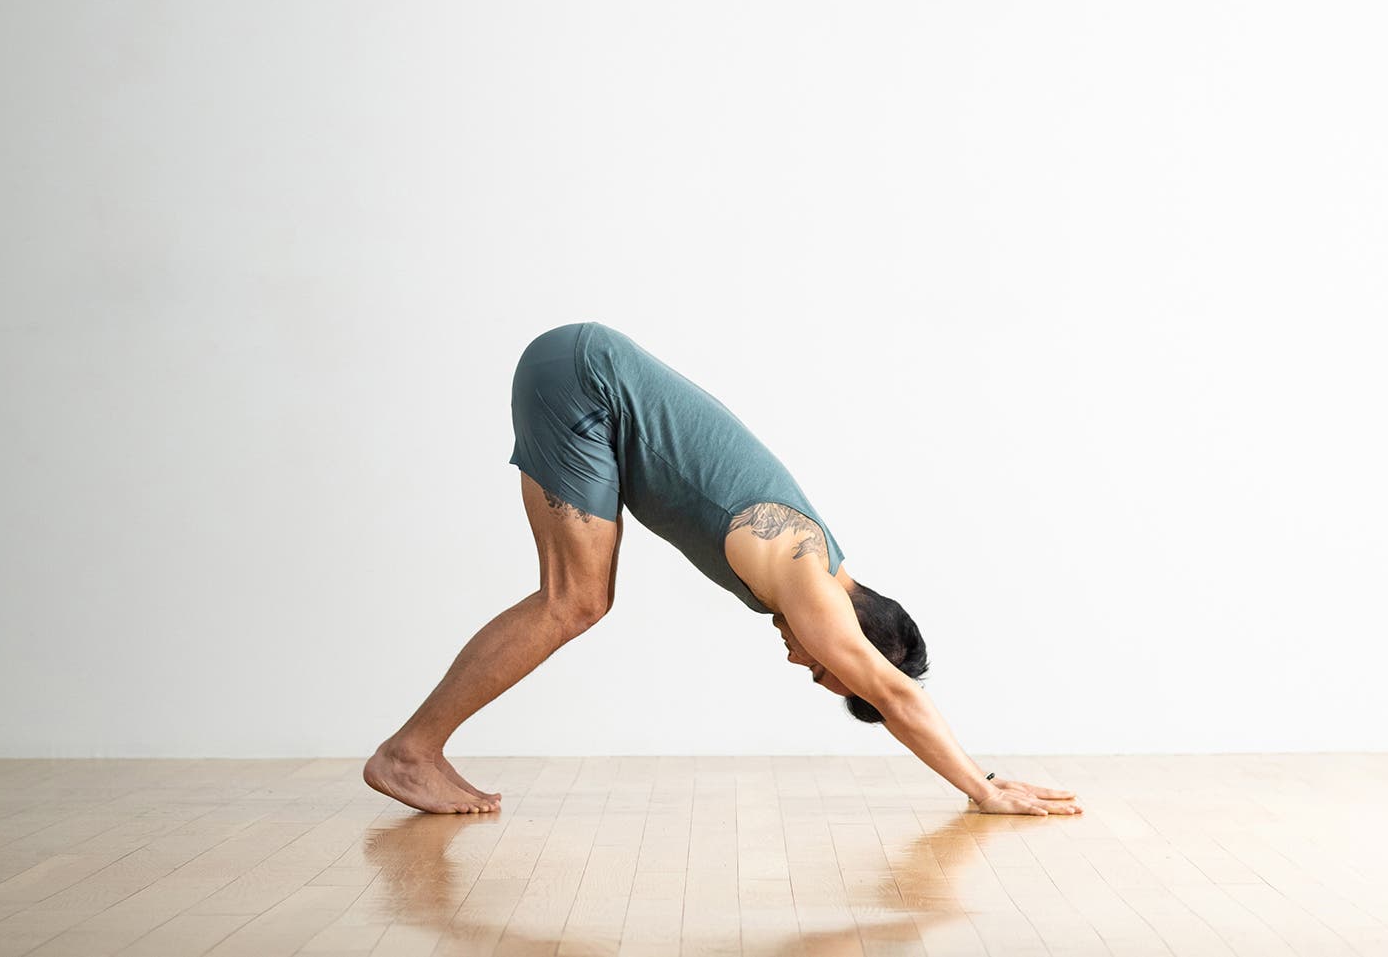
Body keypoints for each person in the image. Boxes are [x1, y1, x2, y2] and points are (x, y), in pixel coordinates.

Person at [364, 322, 1082, 817]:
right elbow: (895, 694)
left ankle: (415, 747)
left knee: (581, 598)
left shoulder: (806, 560)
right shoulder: (808, 575)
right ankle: (409, 751)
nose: (802, 660)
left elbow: (885, 685)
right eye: (822, 668)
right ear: (855, 634)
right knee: (574, 600)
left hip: (583, 374)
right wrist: (982, 787)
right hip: (585, 379)